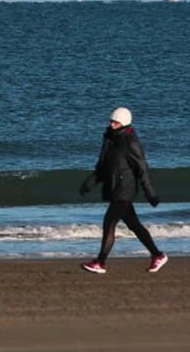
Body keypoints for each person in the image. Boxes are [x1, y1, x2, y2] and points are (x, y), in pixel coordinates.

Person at [79, 107, 167, 274]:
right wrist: (89, 183)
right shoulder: (109, 139)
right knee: (135, 226)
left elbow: (142, 168)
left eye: (116, 122)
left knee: (109, 223)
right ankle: (158, 255)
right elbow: (103, 167)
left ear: (124, 123)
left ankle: (100, 262)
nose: (112, 125)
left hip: (124, 190)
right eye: (111, 121)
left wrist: (149, 192)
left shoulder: (131, 141)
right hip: (113, 189)